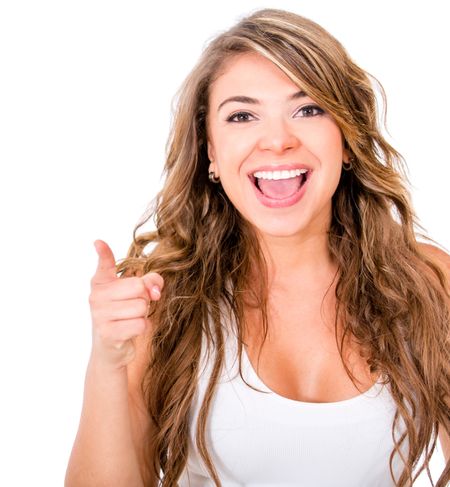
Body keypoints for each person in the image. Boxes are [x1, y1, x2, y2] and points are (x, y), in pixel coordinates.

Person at [65, 8, 450, 487]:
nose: (277, 141)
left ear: (347, 140)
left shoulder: (429, 281)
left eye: (308, 109)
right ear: (210, 150)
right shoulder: (160, 296)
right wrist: (106, 362)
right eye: (243, 115)